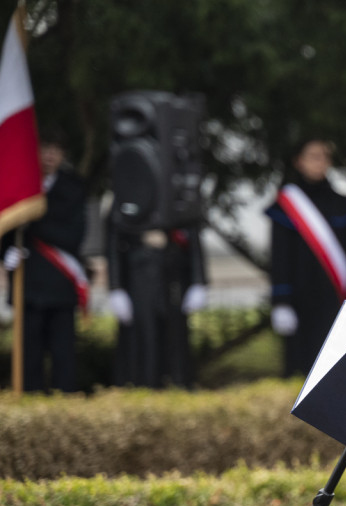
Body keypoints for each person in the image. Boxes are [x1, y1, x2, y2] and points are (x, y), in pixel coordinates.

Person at [267, 138, 346, 377]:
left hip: (335, 296)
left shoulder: (342, 203)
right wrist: (281, 301)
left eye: (324, 156)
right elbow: (280, 257)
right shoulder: (287, 204)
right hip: (300, 296)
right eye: (313, 156)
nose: (320, 162)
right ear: (299, 161)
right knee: (303, 365)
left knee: (338, 368)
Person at [2, 130, 88, 393]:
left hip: (60, 283)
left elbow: (73, 237)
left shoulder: (73, 187)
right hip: (29, 284)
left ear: (62, 155)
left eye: (56, 150)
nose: (49, 155)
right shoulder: (22, 186)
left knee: (63, 356)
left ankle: (64, 407)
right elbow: (6, 224)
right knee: (29, 355)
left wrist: (35, 223)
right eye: (45, 148)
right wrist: (5, 252)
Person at [106, 218, 208, 389]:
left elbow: (192, 233)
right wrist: (115, 286)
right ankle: (143, 388)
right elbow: (114, 239)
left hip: (173, 279)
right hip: (137, 280)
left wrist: (199, 280)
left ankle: (177, 386)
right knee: (143, 343)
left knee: (175, 345)